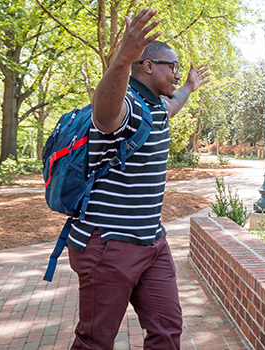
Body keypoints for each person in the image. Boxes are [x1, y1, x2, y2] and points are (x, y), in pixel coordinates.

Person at [65, 8, 210, 349]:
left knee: (166, 329)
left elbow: (173, 105)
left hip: (151, 241)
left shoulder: (155, 108)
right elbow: (104, 111)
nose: (176, 73)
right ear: (147, 66)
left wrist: (189, 86)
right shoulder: (126, 105)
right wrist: (120, 60)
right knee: (95, 340)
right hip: (110, 245)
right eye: (171, 66)